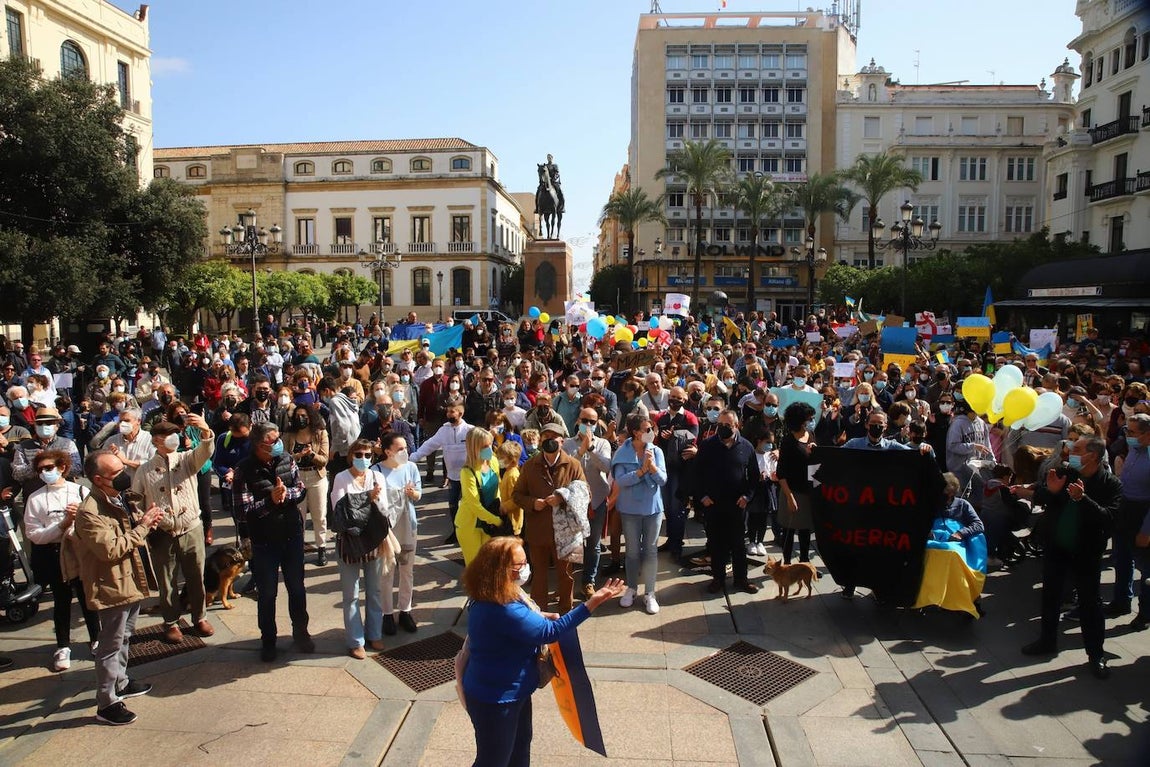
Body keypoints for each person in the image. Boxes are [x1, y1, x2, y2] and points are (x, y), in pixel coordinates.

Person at [458, 537, 623, 767]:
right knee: (493, 760)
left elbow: (520, 622)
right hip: (497, 700)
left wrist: (540, 616)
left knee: (519, 750)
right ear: (501, 570)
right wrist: (591, 603)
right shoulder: (501, 608)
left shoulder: (488, 593)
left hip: (513, 692)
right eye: (520, 564)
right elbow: (549, 632)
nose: (526, 568)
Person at [74, 449, 165, 726]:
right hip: (111, 585)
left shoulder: (118, 498)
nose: (123, 476)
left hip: (129, 579)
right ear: (98, 479)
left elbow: (126, 533)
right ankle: (107, 703)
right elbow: (110, 549)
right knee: (110, 645)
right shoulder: (90, 512)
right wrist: (143, 527)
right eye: (116, 473)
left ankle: (121, 682)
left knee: (125, 636)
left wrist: (144, 520)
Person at [1021, 436, 1121, 679]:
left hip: (1086, 552)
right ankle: (1047, 641)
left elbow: (1108, 518)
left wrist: (1082, 499)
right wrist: (1050, 491)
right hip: (1057, 547)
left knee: (1090, 603)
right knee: (1051, 596)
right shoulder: (1066, 472)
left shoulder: (1110, 484)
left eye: (1077, 449)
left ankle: (1096, 655)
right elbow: (1043, 497)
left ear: (1093, 456)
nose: (1070, 453)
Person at [233, 421, 314, 662]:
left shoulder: (286, 459)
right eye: (273, 441)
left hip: (292, 535)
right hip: (264, 541)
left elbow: (300, 489)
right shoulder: (244, 470)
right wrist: (270, 501)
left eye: (279, 438)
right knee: (267, 593)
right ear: (260, 445)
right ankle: (268, 640)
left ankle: (301, 632)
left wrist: (286, 495)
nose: (279, 443)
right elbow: (241, 511)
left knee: (297, 588)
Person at [132, 417, 216, 643]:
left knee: (196, 575)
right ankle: (171, 622)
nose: (174, 439)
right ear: (156, 441)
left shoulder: (187, 459)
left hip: (191, 527)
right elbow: (135, 502)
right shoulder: (144, 470)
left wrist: (205, 430)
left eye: (175, 434)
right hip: (162, 532)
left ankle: (200, 617)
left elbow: (205, 451)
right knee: (166, 579)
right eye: (168, 435)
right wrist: (145, 522)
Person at [24, 449, 99, 672]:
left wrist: (79, 518)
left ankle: (96, 638)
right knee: (61, 599)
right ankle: (63, 646)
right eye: (40, 470)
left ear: (62, 467)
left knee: (87, 597)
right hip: (53, 554)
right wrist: (62, 525)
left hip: (80, 551)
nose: (44, 473)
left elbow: (96, 521)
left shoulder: (80, 490)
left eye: (49, 468)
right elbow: (34, 534)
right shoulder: (35, 498)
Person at [513, 422, 587, 614]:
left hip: (565, 533)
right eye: (546, 437)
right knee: (539, 575)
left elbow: (585, 493)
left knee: (566, 575)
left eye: (554, 437)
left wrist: (562, 498)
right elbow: (517, 495)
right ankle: (539, 614)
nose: (549, 441)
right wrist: (532, 503)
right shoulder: (530, 465)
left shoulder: (573, 465)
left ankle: (566, 612)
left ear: (562, 441)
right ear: (540, 441)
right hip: (538, 531)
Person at [329, 439, 391, 659]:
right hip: (350, 541)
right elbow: (340, 510)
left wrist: (372, 500)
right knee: (351, 595)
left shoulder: (377, 477)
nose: (363, 459)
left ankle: (374, 633)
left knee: (375, 591)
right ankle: (356, 640)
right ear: (350, 456)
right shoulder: (341, 478)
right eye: (358, 454)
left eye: (367, 455)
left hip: (373, 540)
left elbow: (384, 509)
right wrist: (367, 498)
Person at [695, 409, 761, 595]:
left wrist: (747, 496)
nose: (723, 428)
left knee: (738, 544)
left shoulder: (746, 446)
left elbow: (754, 476)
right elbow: (696, 474)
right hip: (713, 504)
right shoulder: (707, 445)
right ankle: (718, 578)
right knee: (716, 544)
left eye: (727, 425)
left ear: (736, 425)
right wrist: (702, 497)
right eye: (720, 425)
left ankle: (741, 579)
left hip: (737, 505)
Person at [609, 413, 667, 614]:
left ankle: (650, 593)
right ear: (635, 432)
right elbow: (620, 480)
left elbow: (663, 480)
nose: (651, 432)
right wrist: (641, 472)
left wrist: (652, 468)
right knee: (632, 552)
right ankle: (632, 588)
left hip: (653, 509)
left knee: (650, 550)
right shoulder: (622, 453)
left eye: (651, 428)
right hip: (630, 510)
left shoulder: (656, 451)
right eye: (647, 429)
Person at [373, 431, 422, 635]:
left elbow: (418, 494)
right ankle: (387, 614)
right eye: (400, 449)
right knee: (386, 572)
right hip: (386, 529)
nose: (405, 452)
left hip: (408, 526)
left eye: (406, 448)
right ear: (388, 451)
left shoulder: (411, 467)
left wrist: (412, 493)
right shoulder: (376, 471)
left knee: (406, 570)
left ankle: (405, 610)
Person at [564, 407, 612, 599]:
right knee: (572, 543)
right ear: (578, 421)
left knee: (593, 544)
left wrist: (590, 449)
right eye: (585, 420)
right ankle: (567, 584)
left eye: (592, 421)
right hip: (574, 501)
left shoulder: (603, 443)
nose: (588, 424)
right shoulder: (567, 443)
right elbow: (565, 470)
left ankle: (588, 581)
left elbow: (606, 467)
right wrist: (580, 452)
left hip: (597, 499)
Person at [409, 397, 472, 543]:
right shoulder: (443, 431)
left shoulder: (470, 430)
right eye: (448, 411)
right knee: (453, 506)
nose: (449, 414)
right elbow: (430, 445)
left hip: (468, 476)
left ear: (460, 413)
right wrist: (413, 458)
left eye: (452, 412)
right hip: (453, 477)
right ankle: (456, 532)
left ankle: (469, 533)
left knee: (468, 506)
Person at [283, 404, 330, 564]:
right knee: (298, 517)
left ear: (310, 417)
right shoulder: (289, 435)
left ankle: (321, 547)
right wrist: (298, 456)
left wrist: (311, 454)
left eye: (304, 416)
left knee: (319, 515)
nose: (300, 419)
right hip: (297, 478)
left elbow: (324, 460)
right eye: (297, 416)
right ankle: (298, 548)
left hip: (316, 477)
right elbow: (284, 458)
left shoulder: (320, 433)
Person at [777, 401, 817, 567]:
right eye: (809, 418)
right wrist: (789, 497)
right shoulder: (788, 441)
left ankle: (804, 563)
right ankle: (786, 564)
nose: (811, 421)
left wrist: (815, 451)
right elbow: (781, 472)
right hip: (792, 491)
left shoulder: (811, 434)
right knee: (789, 530)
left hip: (808, 490)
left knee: (805, 530)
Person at [457, 428, 505, 564]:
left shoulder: (493, 461)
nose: (489, 448)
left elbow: (498, 488)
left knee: (490, 564)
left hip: (489, 523)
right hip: (471, 525)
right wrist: (497, 521)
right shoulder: (467, 472)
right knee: (475, 566)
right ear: (474, 448)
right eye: (484, 446)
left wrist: (500, 507)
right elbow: (474, 506)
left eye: (490, 444)